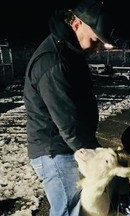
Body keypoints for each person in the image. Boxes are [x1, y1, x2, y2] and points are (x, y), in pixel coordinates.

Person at [23, 0, 115, 215]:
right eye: (96, 40)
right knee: (67, 210)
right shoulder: (54, 61)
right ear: (77, 25)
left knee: (78, 209)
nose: (99, 47)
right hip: (55, 150)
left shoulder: (69, 52)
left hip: (66, 146)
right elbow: (67, 120)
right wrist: (93, 152)